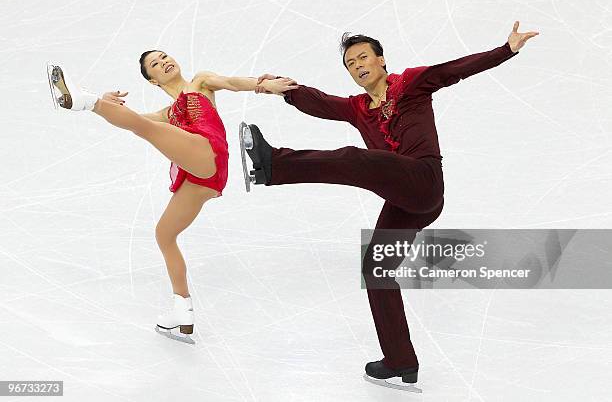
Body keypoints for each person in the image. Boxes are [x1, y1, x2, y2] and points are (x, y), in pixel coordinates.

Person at [244, 21, 538, 382]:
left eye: (363, 57)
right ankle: (401, 360)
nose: (357, 66)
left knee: (354, 159)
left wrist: (505, 50)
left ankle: (274, 165)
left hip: (425, 182)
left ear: (381, 60)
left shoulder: (412, 83)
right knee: (376, 270)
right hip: (403, 200)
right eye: (350, 64)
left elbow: (454, 70)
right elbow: (321, 103)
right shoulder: (357, 108)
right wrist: (286, 89)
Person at [46, 52, 296, 343]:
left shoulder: (200, 82)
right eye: (155, 64)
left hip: (208, 152)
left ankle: (83, 101)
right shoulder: (167, 114)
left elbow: (230, 82)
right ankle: (182, 310)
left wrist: (263, 86)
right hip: (201, 178)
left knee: (148, 130)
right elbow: (133, 120)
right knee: (164, 234)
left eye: (164, 56)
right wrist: (106, 105)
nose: (164, 62)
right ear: (153, 81)